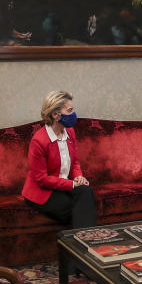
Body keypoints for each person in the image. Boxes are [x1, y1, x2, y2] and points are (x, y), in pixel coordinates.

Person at [22, 90, 96, 230]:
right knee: (78, 209)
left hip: (63, 185)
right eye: (70, 110)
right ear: (56, 115)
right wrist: (72, 185)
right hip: (43, 191)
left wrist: (79, 177)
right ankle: (85, 246)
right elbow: (41, 179)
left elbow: (74, 162)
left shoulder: (70, 131)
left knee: (86, 192)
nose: (74, 114)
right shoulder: (39, 141)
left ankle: (84, 244)